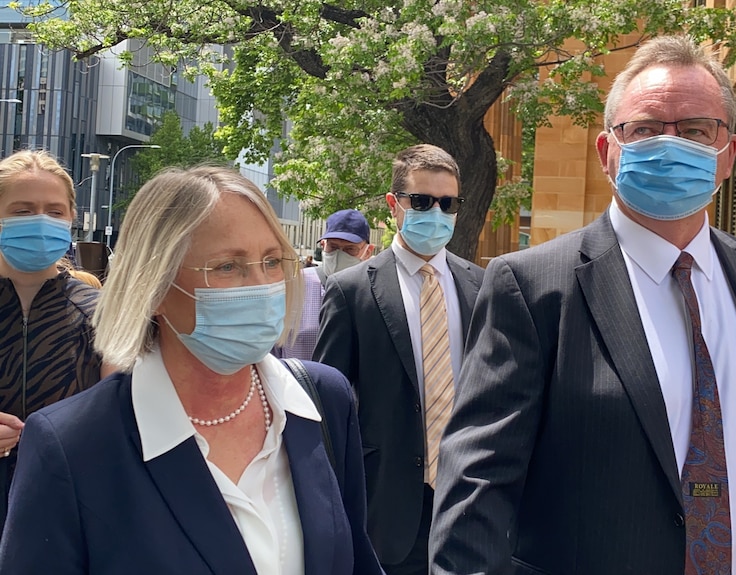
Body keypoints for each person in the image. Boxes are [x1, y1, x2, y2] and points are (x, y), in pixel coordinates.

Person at [430, 36, 736, 575]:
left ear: (728, 154)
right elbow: (477, 485)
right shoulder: (532, 287)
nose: (669, 144)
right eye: (643, 129)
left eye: (694, 130)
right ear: (606, 153)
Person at [0, 166, 383, 575]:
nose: (261, 285)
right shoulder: (71, 446)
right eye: (226, 267)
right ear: (155, 287)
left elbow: (355, 556)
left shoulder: (322, 398)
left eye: (272, 261)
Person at [314, 144, 484, 575]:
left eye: (448, 203)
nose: (437, 212)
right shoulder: (352, 290)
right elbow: (326, 405)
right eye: (422, 201)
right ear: (394, 205)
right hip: (384, 505)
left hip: (470, 502)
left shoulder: (483, 287)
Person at [0, 149, 110, 532]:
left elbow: (125, 414)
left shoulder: (101, 312)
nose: (41, 221)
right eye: (22, 210)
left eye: (54, 211)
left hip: (71, 508)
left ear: (71, 220)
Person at [274, 209, 374, 360]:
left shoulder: (374, 294)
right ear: (323, 244)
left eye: (350, 249)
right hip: (296, 381)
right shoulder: (295, 286)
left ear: (367, 251)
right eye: (333, 247)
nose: (340, 255)